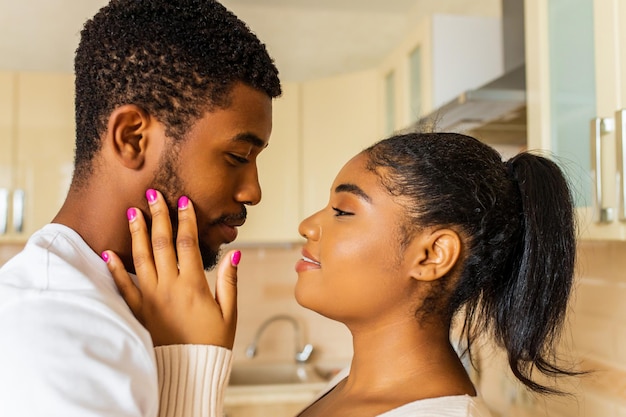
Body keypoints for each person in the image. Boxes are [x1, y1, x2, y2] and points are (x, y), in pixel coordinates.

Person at [107, 132, 580, 417]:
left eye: (343, 210)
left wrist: (190, 365)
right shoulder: (350, 389)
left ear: (433, 254)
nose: (309, 225)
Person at [0, 0, 281, 416]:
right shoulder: (53, 329)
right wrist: (192, 368)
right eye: (238, 155)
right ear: (132, 138)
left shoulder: (131, 306)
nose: (253, 192)